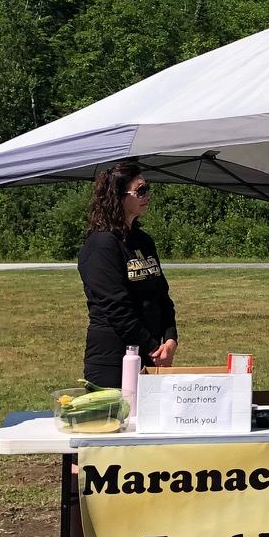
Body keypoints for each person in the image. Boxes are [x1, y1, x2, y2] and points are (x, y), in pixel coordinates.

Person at [78, 160, 177, 390]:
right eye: (140, 190)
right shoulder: (101, 245)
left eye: (147, 188)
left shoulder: (143, 241)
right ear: (118, 197)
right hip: (112, 361)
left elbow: (162, 296)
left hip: (150, 357)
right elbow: (116, 308)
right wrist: (154, 347)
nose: (147, 195)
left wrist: (170, 338)